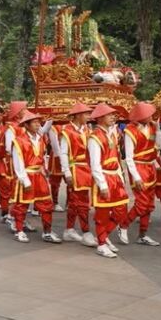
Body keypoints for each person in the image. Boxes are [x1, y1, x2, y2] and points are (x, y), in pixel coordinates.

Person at [8, 111, 60, 244]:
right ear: (26, 125)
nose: (38, 125)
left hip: (39, 175)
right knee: (22, 205)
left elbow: (42, 156)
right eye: (34, 122)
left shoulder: (41, 138)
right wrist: (25, 181)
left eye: (38, 122)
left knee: (46, 204)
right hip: (26, 175)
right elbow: (18, 163)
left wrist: (45, 169)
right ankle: (19, 231)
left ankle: (47, 232)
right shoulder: (19, 141)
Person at [88, 103, 129, 258]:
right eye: (109, 115)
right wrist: (102, 184)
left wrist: (120, 177)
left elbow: (117, 158)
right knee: (102, 214)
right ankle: (101, 244)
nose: (113, 117)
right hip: (104, 177)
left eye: (113, 115)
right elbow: (95, 164)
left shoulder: (112, 134)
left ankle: (104, 236)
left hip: (115, 177)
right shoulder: (95, 137)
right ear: (100, 118)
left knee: (121, 210)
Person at [123, 101, 161, 247]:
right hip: (138, 167)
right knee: (141, 203)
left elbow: (160, 146)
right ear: (142, 116)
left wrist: (158, 130)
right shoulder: (130, 130)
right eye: (149, 114)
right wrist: (136, 177)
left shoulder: (152, 127)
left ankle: (143, 234)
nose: (152, 116)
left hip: (151, 167)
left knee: (149, 204)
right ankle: (124, 225)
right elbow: (128, 157)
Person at [57, 102, 96, 246]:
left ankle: (69, 229)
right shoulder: (66, 131)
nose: (88, 116)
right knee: (82, 203)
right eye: (86, 114)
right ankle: (86, 232)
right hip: (75, 168)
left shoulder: (87, 129)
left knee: (74, 202)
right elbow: (63, 153)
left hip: (85, 168)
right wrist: (66, 172)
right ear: (78, 115)